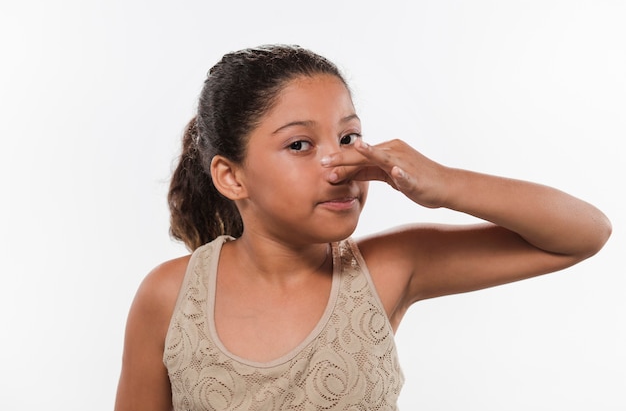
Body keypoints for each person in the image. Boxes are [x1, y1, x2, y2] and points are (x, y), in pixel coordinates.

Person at [114, 44, 611, 411]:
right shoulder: (170, 295)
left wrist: (443, 183)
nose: (341, 162)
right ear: (231, 175)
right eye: (300, 145)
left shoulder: (389, 269)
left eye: (349, 135)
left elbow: (584, 234)